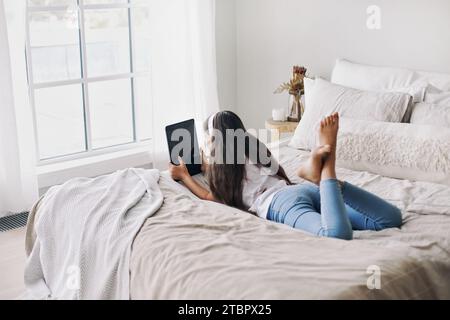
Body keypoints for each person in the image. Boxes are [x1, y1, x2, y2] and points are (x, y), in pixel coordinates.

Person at [169, 111, 402, 240]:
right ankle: (323, 180)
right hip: (299, 189)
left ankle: (327, 167)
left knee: (336, 233)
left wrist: (185, 176)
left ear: (214, 142)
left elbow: (209, 197)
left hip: (279, 204)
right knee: (389, 219)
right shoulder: (254, 149)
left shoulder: (222, 175)